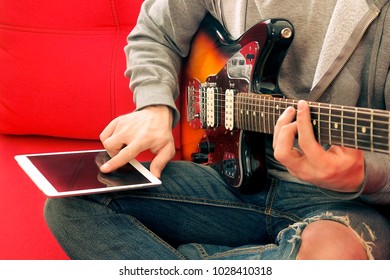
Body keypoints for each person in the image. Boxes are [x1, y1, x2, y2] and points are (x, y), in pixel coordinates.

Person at [44, 0, 390, 259]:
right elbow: (155, 32)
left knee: (335, 259)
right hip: (224, 177)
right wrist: (154, 106)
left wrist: (365, 174)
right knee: (72, 203)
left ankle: (197, 259)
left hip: (341, 204)